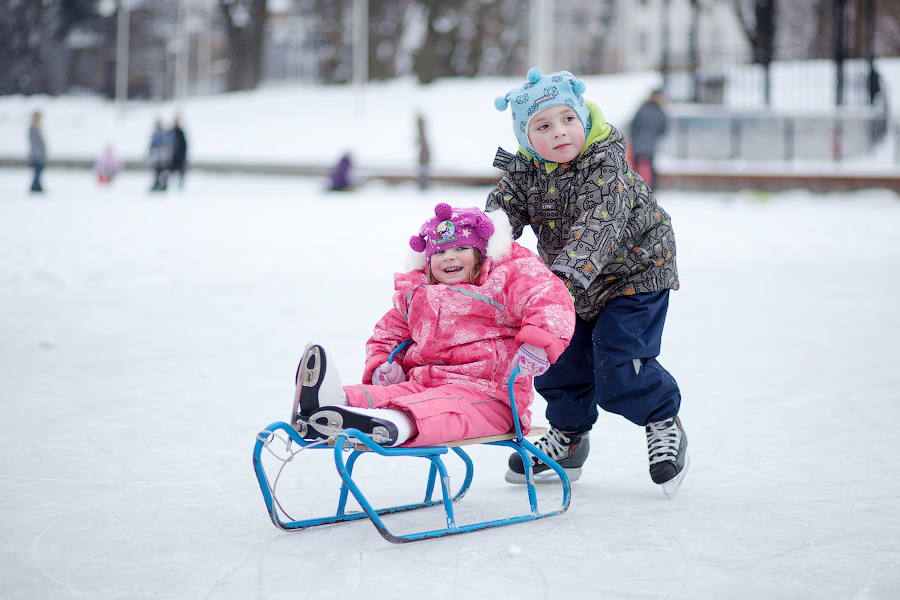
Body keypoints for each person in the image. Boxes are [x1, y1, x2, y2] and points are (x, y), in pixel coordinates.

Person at [487, 68, 687, 498]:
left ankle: (662, 419)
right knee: (559, 358)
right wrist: (476, 249)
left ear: (583, 118)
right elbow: (500, 216)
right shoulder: (526, 172)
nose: (559, 132)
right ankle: (569, 438)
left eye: (567, 119)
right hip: (570, 284)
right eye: (543, 126)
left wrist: (557, 287)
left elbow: (597, 227)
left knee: (617, 360)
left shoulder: (606, 163)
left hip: (634, 273)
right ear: (526, 138)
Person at [291, 203, 575, 448]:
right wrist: (385, 365)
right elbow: (389, 332)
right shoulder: (418, 295)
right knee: (391, 395)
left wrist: (539, 343)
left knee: (444, 409)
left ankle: (389, 425)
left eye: (462, 248)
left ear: (480, 254)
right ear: (428, 262)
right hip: (423, 383)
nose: (449, 257)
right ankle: (334, 404)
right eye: (439, 253)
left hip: (490, 395)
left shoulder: (504, 280)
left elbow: (549, 297)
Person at [629, 89, 669, 189]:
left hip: (637, 144)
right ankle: (649, 190)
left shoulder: (642, 108)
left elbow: (633, 126)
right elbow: (664, 129)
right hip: (651, 145)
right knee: (649, 168)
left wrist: (635, 138)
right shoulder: (660, 111)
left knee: (636, 168)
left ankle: (634, 188)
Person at [148, 120, 172, 191]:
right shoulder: (156, 135)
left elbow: (168, 145)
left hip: (163, 157)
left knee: (163, 172)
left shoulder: (165, 135)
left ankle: (163, 184)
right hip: (158, 157)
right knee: (157, 172)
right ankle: (157, 184)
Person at [27, 111, 46, 193]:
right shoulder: (33, 129)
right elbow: (34, 144)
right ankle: (36, 187)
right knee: (37, 172)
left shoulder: (38, 128)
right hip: (36, 155)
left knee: (38, 172)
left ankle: (37, 187)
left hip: (40, 155)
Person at [169, 116, 188, 189]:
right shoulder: (171, 132)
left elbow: (184, 144)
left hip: (180, 156)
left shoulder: (180, 132)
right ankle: (170, 184)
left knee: (180, 171)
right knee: (171, 171)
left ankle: (180, 185)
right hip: (172, 156)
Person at [415, 113, 431, 190]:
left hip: (424, 157)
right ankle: (424, 185)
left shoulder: (422, 135)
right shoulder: (422, 135)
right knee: (424, 171)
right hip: (423, 157)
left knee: (424, 171)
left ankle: (424, 185)